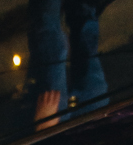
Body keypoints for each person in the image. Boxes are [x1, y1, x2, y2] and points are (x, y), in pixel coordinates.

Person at [28, 0, 110, 128]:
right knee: (97, 91)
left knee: (55, 57)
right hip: (90, 131)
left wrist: (42, 130)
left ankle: (46, 10)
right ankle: (82, 10)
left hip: (55, 135)